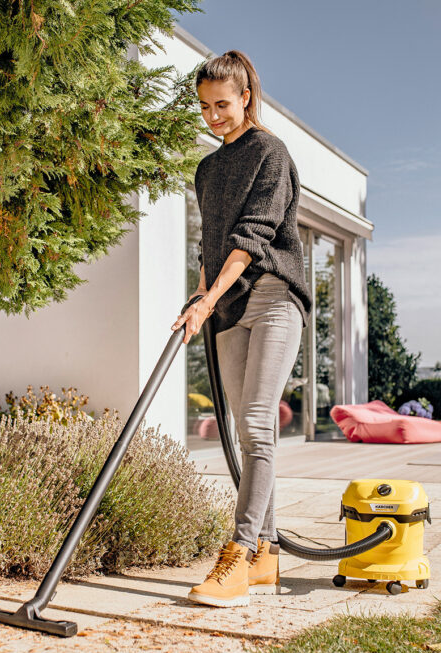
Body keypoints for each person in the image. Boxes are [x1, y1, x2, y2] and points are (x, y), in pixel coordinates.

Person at [172, 50, 312, 608]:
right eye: (205, 107)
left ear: (246, 96)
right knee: (248, 432)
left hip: (274, 299)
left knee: (256, 425)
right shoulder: (207, 169)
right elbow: (211, 243)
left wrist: (208, 300)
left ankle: (239, 550)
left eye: (223, 105)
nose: (213, 116)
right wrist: (201, 295)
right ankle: (265, 558)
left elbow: (251, 238)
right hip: (230, 306)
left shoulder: (271, 154)